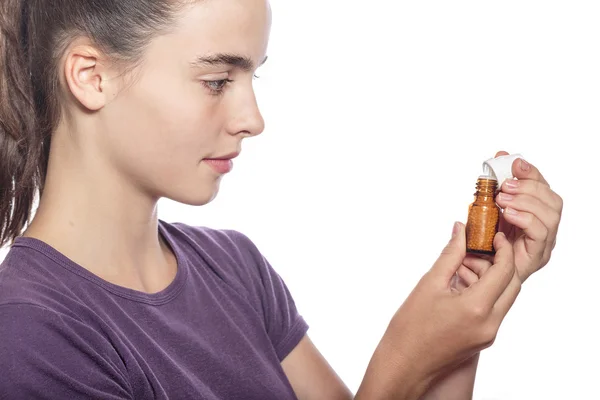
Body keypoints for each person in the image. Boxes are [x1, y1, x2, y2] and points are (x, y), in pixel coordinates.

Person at [0, 0, 562, 399]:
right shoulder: (32, 336)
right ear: (91, 75)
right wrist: (403, 357)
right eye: (218, 80)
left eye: (252, 81)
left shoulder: (234, 270)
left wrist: (470, 304)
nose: (253, 120)